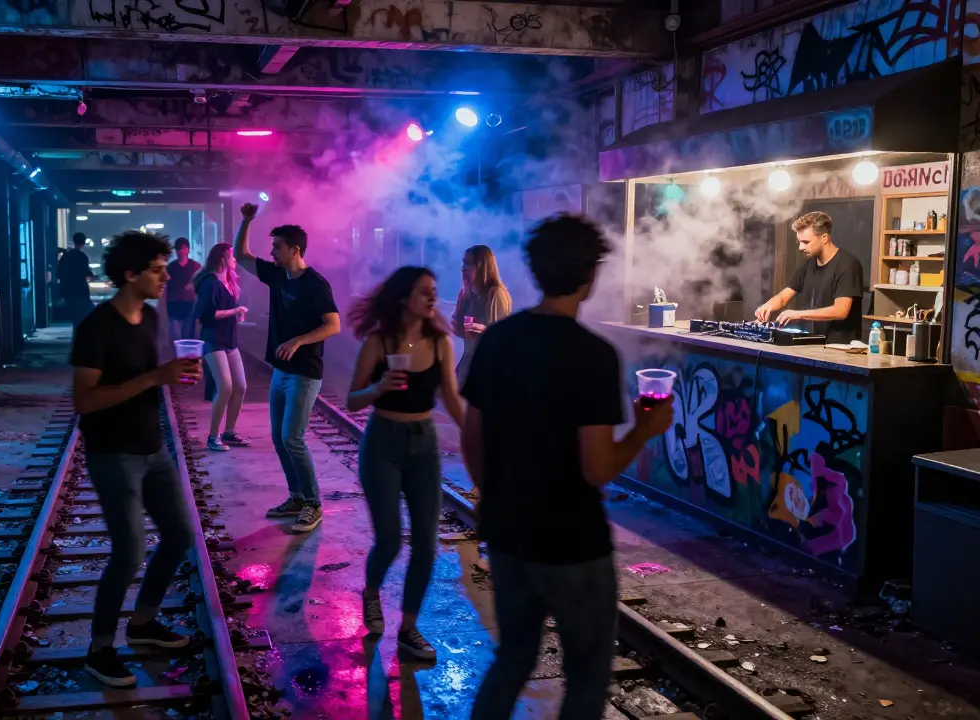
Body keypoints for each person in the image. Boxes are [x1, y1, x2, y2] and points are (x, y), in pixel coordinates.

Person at [463, 216, 673, 720]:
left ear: (536, 270)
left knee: (513, 659)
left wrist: (493, 497)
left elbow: (472, 438)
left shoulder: (498, 340)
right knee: (586, 675)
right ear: (590, 274)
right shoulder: (593, 355)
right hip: (573, 544)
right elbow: (597, 468)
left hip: (509, 535)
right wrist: (645, 429)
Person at [70, 231, 201, 688]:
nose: (167, 277)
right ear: (130, 274)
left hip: (153, 448)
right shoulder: (96, 327)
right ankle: (99, 649)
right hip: (113, 453)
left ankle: (143, 623)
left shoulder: (151, 317)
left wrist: (173, 375)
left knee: (180, 535)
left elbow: (153, 374)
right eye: (158, 270)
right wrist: (155, 378)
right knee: (129, 553)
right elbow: (85, 400)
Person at [346, 266, 466, 662]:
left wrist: (474, 435)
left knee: (427, 545)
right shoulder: (378, 342)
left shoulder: (441, 343)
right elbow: (352, 400)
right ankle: (371, 592)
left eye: (434, 291)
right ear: (403, 298)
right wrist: (378, 387)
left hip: (424, 445)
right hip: (382, 442)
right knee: (390, 540)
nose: (432, 298)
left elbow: (450, 396)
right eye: (424, 291)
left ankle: (408, 629)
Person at [234, 203, 341, 534]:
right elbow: (240, 255)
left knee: (292, 438)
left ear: (295, 250)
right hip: (280, 371)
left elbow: (333, 325)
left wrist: (298, 340)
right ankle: (297, 497)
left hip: (304, 373)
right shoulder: (278, 275)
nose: (271, 252)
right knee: (280, 439)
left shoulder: (315, 284)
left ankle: (313, 504)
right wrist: (247, 220)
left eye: (277, 247)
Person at [754, 211, 865, 343]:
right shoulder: (808, 265)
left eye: (806, 242)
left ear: (824, 238)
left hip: (840, 347)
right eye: (799, 242)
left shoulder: (848, 265)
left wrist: (798, 314)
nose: (800, 247)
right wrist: (766, 307)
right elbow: (783, 298)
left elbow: (841, 311)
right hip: (814, 343)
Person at [194, 242, 250, 452]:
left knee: (240, 387)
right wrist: (235, 311)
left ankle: (229, 432)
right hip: (213, 340)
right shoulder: (210, 283)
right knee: (225, 387)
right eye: (232, 256)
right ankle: (213, 437)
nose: (235, 259)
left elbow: (227, 309)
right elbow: (206, 315)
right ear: (223, 258)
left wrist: (236, 314)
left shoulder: (229, 281)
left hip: (229, 339)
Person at [452, 245, 512, 385]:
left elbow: (505, 338)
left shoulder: (495, 294)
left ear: (482, 266)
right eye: (463, 263)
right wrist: (455, 323)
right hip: (469, 363)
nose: (463, 268)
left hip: (490, 366)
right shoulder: (467, 294)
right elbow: (460, 330)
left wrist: (484, 330)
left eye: (468, 263)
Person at [166, 237, 202, 341]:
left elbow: (201, 282)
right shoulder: (170, 267)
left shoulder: (195, 266)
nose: (182, 251)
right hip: (173, 305)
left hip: (189, 304)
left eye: (184, 248)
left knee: (187, 336)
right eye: (179, 249)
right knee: (176, 336)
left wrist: (193, 287)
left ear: (188, 250)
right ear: (176, 251)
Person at [58, 233, 96, 328]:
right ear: (83, 243)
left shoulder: (66, 256)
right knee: (84, 313)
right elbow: (86, 271)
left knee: (74, 315)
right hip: (80, 290)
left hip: (67, 290)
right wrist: (94, 277)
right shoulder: (82, 256)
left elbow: (58, 273)